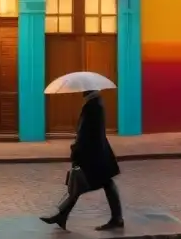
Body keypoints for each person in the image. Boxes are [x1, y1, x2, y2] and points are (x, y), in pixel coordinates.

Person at [40, 90, 123, 231]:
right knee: (93, 184)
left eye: (84, 91)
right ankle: (62, 216)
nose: (81, 92)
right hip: (97, 152)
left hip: (92, 154)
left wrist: (76, 149)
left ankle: (117, 218)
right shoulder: (96, 104)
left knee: (84, 183)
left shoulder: (92, 107)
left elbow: (85, 133)